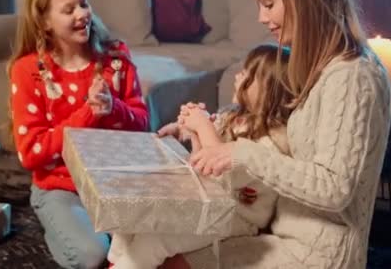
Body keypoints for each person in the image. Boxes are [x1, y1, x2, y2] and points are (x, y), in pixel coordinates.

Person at [159, 0, 391, 269]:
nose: (261, 17)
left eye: (268, 4)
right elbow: (271, 132)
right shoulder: (317, 69)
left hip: (319, 256)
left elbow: (335, 188)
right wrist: (203, 131)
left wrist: (240, 153)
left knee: (172, 262)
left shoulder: (353, 76)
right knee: (169, 254)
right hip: (278, 235)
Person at [7, 0, 149, 269]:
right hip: (59, 187)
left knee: (162, 244)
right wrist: (87, 113)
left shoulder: (115, 58)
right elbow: (31, 152)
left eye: (83, 4)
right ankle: (59, 226)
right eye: (68, 10)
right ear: (44, 22)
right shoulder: (28, 71)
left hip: (115, 182)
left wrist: (114, 108)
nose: (82, 14)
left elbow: (142, 127)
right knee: (93, 256)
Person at [109, 44, 293, 269]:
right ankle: (115, 262)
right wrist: (187, 128)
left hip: (235, 216)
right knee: (135, 214)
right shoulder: (234, 116)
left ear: (269, 90)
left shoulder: (272, 141)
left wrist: (204, 126)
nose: (238, 75)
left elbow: (225, 168)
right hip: (204, 199)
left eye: (247, 74)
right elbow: (203, 160)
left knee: (156, 240)